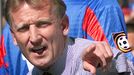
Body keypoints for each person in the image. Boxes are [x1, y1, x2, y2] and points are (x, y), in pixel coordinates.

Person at [4, 0, 134, 75]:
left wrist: (108, 67)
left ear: (64, 25)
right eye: (24, 29)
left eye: (43, 24)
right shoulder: (15, 18)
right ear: (14, 36)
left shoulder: (101, 6)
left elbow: (118, 62)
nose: (34, 38)